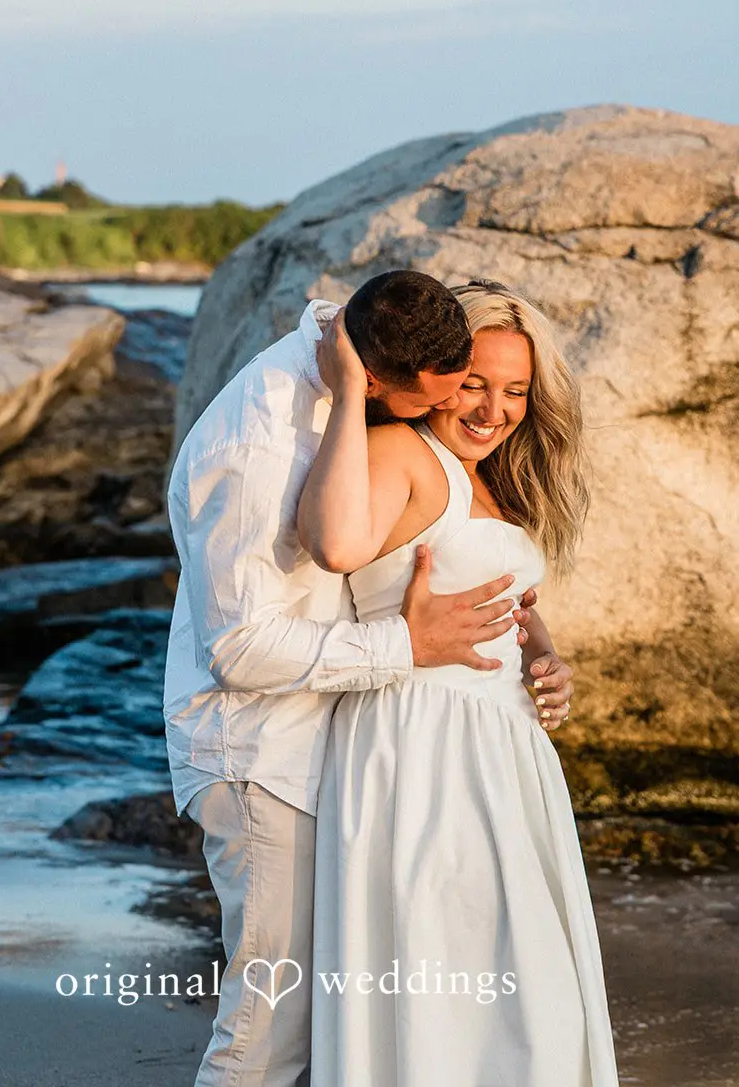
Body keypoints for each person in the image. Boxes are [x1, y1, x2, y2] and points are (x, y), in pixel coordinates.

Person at [163, 270, 575, 1087]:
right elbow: (240, 648)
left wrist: (535, 650)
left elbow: (467, 574)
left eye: (507, 390)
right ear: (377, 380)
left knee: (354, 1011)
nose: (468, 411)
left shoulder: (377, 368)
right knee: (269, 1025)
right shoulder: (260, 437)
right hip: (262, 752)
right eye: (450, 394)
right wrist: (406, 647)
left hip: (350, 747)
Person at [299, 279, 620, 1086]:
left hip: (500, 753)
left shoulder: (487, 479)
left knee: (522, 993)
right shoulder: (402, 452)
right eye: (474, 383)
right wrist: (347, 390)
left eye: (515, 391)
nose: (492, 408)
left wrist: (540, 651)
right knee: (461, 986)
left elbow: (495, 595)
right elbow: (338, 545)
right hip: (424, 747)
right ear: (437, 375)